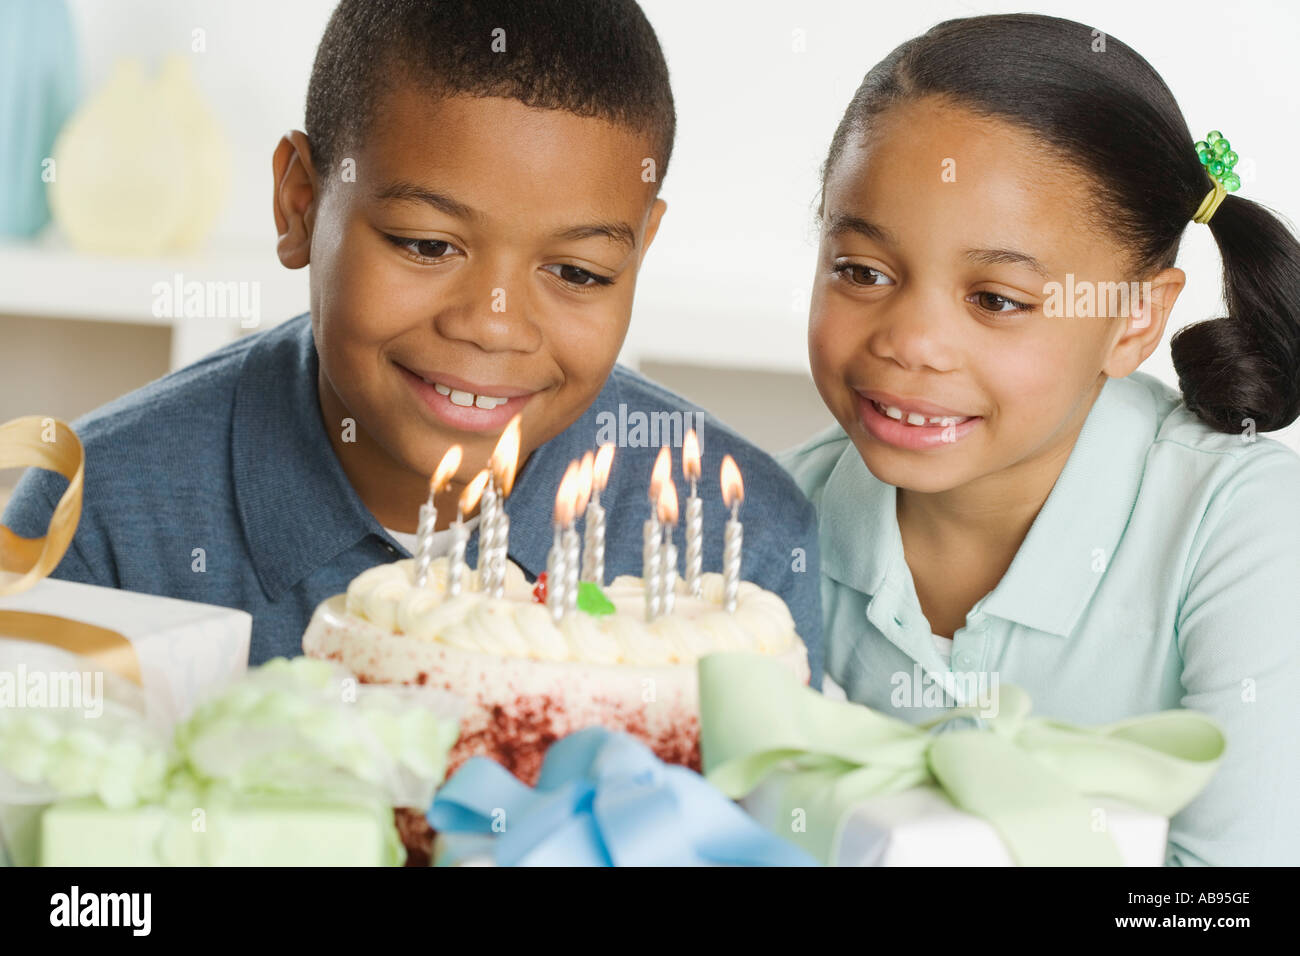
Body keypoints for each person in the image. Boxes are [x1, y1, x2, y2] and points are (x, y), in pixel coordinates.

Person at [2, 0, 822, 682]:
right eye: (427, 245)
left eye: (577, 271)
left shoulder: (739, 550)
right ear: (299, 205)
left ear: (640, 251)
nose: (494, 322)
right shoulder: (94, 519)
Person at [780, 13, 1300, 865]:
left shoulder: (1244, 531)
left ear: (1134, 319)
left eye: (996, 299)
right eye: (863, 272)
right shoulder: (774, 521)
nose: (909, 341)